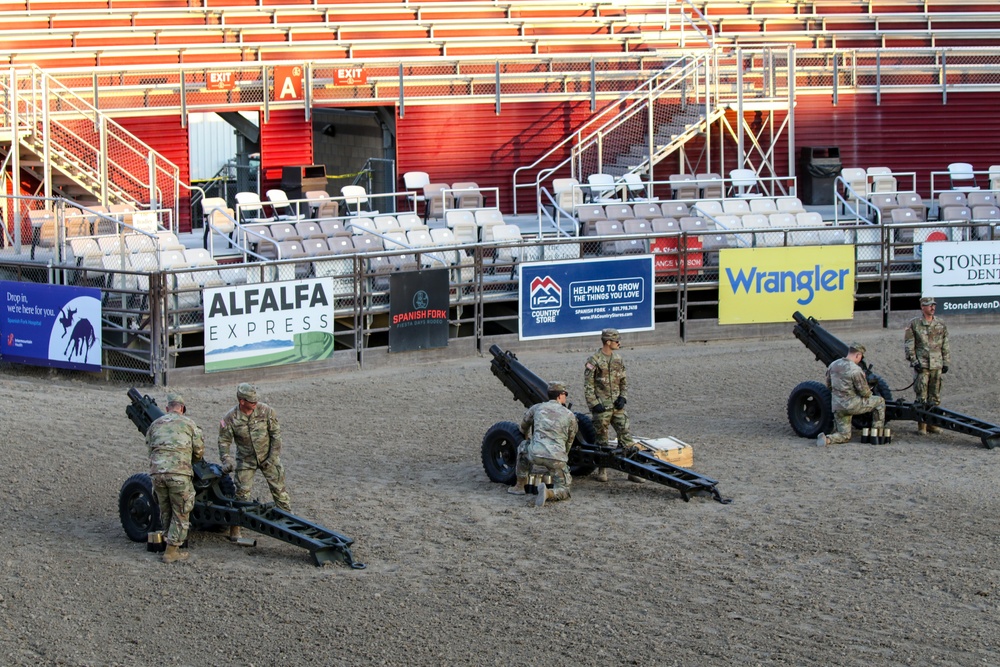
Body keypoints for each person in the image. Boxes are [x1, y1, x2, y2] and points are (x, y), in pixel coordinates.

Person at [218, 383, 291, 541]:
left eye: (256, 400)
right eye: (252, 401)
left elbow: (276, 435)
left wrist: (272, 458)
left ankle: (289, 521)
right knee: (241, 494)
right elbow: (224, 441)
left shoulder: (266, 411)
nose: (255, 403)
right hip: (246, 460)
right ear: (242, 401)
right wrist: (226, 460)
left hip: (268, 456)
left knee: (280, 491)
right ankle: (235, 528)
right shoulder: (230, 418)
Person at [146, 391, 204, 563]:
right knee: (181, 512)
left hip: (157, 474)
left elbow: (150, 449)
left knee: (165, 510)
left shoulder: (155, 424)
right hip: (179, 474)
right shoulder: (190, 424)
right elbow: (199, 451)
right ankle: (171, 552)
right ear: (182, 408)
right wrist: (188, 460)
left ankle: (167, 541)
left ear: (167, 408)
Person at [584, 328, 643, 483]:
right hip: (602, 408)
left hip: (617, 406)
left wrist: (623, 397)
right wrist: (594, 404)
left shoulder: (618, 359)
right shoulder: (594, 360)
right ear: (608, 342)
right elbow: (588, 386)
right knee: (601, 440)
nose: (619, 343)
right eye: (617, 341)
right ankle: (602, 470)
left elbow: (623, 381)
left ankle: (632, 470)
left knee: (626, 437)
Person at [507, 382, 578, 507]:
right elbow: (570, 439)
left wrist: (528, 437)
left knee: (523, 446)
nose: (565, 397)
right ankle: (548, 493)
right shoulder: (569, 415)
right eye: (565, 394)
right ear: (560, 395)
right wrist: (563, 455)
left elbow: (523, 427)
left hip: (535, 454)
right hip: (556, 458)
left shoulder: (537, 408)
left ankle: (519, 485)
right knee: (564, 490)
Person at [817, 342, 886, 446]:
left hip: (837, 407)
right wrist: (869, 387)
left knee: (844, 435)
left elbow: (829, 386)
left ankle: (827, 439)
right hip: (851, 405)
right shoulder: (855, 369)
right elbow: (865, 393)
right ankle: (876, 434)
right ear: (858, 355)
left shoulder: (833, 365)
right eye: (860, 357)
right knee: (880, 402)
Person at [904, 296, 951, 434]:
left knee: (935, 396)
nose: (932, 307)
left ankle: (933, 424)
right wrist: (914, 361)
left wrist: (946, 361)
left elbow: (945, 343)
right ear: (922, 307)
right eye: (929, 305)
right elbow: (909, 344)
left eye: (933, 305)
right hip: (922, 364)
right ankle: (922, 425)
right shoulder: (914, 324)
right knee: (921, 395)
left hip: (937, 364)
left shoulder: (940, 323)